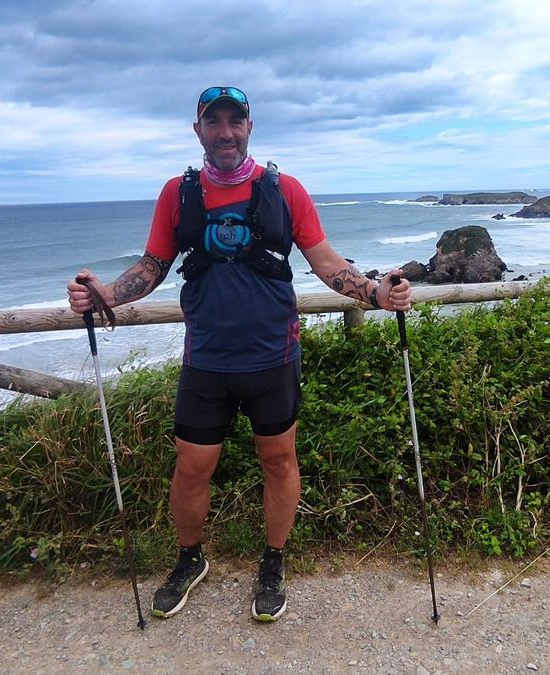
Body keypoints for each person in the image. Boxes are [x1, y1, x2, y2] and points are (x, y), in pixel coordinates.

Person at [66, 86, 413, 622]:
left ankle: (272, 563)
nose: (225, 131)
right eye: (214, 121)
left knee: (279, 461)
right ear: (198, 129)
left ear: (249, 127)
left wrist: (376, 294)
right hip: (205, 359)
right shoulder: (177, 195)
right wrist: (106, 295)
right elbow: (153, 265)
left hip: (273, 357)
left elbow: (326, 263)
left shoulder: (284, 190)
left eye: (235, 121)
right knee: (192, 468)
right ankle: (190, 559)